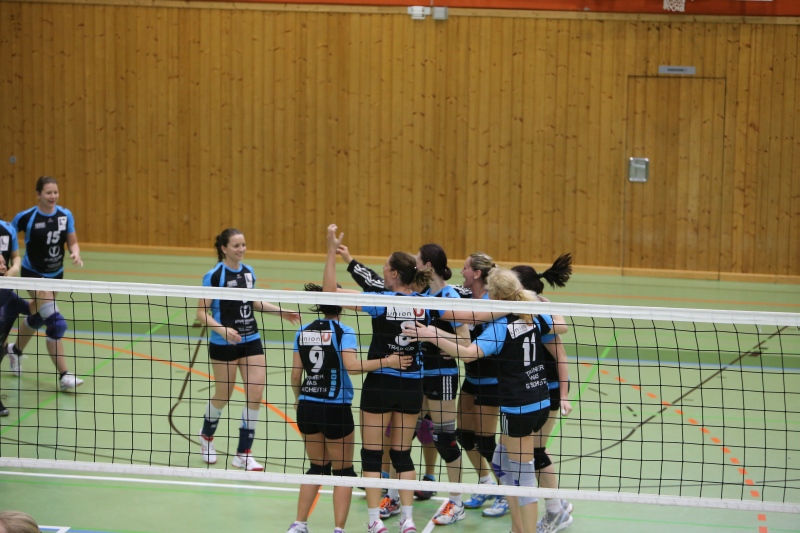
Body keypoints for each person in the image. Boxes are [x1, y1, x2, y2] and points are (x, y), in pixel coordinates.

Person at [402, 268, 568, 533]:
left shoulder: (500, 328)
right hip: (541, 402)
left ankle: (527, 529)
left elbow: (468, 354)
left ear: (496, 295)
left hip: (518, 407)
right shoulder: (534, 315)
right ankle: (517, 527)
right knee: (501, 461)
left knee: (522, 478)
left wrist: (431, 335)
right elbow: (560, 325)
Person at [336, 242, 471, 525]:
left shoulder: (446, 295)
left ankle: (456, 501)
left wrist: (437, 338)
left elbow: (465, 340)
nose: (414, 262)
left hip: (441, 373)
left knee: (443, 438)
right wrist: (349, 260)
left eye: (417, 259)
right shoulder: (417, 293)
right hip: (414, 374)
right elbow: (377, 284)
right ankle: (394, 496)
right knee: (400, 440)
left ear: (427, 266)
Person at [323, 224, 432, 533]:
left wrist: (330, 252)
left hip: (380, 384)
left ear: (394, 274)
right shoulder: (425, 304)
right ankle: (407, 520)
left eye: (385, 266)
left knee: (371, 456)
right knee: (402, 455)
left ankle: (374, 521)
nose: (382, 270)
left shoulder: (380, 300)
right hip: (412, 386)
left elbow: (329, 293)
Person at [287, 283, 412, 533]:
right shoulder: (344, 331)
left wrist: (299, 398)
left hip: (307, 406)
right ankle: (338, 529)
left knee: (317, 468)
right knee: (343, 471)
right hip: (335, 408)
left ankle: (299, 524)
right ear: (341, 305)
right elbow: (352, 366)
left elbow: (295, 376)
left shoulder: (302, 330)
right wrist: (389, 361)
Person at [196, 228, 300, 471]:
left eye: (243, 244)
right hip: (224, 343)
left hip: (251, 339)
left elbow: (252, 302)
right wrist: (222, 330)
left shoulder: (248, 272)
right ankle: (207, 435)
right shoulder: (214, 276)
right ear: (224, 248)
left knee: (255, 393)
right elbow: (201, 313)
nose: (241, 249)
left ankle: (243, 452)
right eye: (236, 245)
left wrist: (281, 312)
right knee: (224, 394)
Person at [512, 256, 575, 532]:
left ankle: (555, 512)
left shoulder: (538, 316)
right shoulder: (531, 308)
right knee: (537, 448)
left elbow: (560, 356)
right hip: (535, 389)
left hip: (549, 389)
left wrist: (564, 396)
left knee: (536, 451)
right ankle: (557, 503)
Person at [7, 176, 84, 391]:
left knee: (39, 316)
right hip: (33, 274)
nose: (53, 196)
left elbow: (72, 241)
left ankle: (15, 350)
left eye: (55, 192)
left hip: (56, 275)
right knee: (57, 323)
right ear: (38, 194)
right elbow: (7, 235)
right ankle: (64, 376)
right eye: (48, 192)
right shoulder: (26, 217)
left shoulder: (65, 215)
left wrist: (75, 253)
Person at [0, 256, 39, 417]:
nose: (4, 267)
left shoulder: (9, 296)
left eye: (4, 263)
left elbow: (30, 309)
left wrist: (40, 296)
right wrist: (15, 268)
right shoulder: (5, 291)